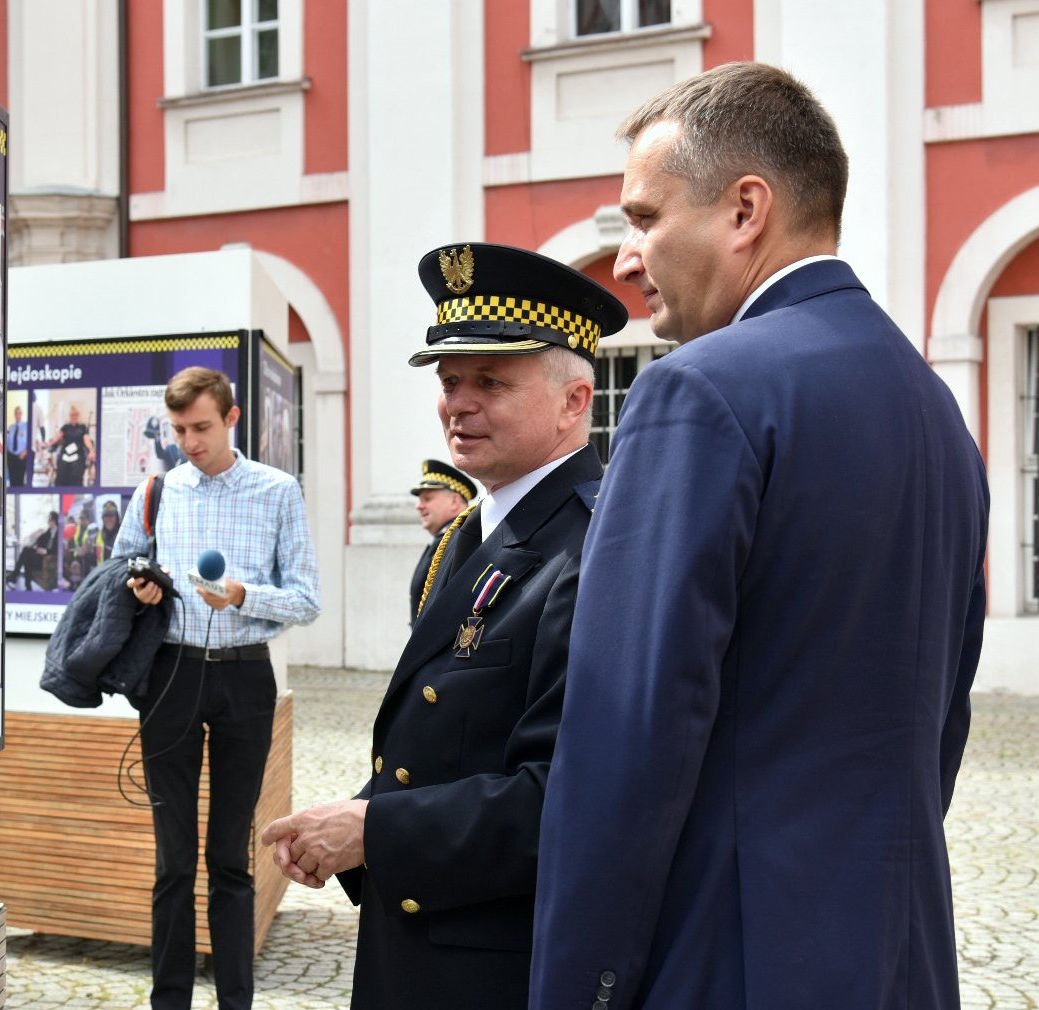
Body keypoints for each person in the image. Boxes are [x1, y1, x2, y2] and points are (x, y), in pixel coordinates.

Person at [530, 63, 990, 1010]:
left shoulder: (700, 390)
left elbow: (628, 740)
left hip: (730, 958)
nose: (624, 259)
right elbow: (940, 718)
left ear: (746, 210)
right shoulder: (936, 407)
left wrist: (582, 985)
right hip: (895, 955)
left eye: (645, 218)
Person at [258, 243, 625, 1009]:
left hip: (499, 965)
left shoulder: (598, 549)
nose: (458, 402)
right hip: (424, 942)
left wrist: (375, 832)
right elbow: (443, 742)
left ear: (574, 401)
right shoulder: (468, 534)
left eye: (491, 381)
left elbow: (573, 798)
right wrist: (348, 829)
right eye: (450, 380)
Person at [112, 366, 321, 1010]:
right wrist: (137, 585)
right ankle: (168, 1001)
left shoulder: (277, 491)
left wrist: (242, 595)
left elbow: (308, 600)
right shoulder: (158, 490)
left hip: (244, 678)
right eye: (178, 430)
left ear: (231, 419)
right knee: (172, 860)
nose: (189, 441)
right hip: (171, 678)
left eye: (200, 427)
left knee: (230, 854)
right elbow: (121, 568)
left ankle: (236, 1001)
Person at [405, 458, 476, 624]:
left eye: (428, 499)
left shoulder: (459, 540)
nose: (419, 506)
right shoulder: (446, 540)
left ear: (454, 501)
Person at [43, 403, 94, 487]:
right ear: (69, 416)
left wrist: (91, 450)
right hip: (65, 455)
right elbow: (57, 437)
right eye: (72, 415)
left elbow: (86, 439)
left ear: (78, 416)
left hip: (77, 455)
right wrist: (48, 444)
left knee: (75, 472)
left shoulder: (83, 427)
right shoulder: (65, 427)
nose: (74, 417)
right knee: (61, 472)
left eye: (75, 415)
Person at [5, 405, 32, 487]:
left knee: (20, 481)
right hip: (11, 457)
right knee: (12, 480)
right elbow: (8, 441)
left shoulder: (26, 426)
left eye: (20, 413)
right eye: (17, 413)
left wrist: (25, 452)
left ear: (22, 414)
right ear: (15, 415)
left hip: (21, 456)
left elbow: (30, 442)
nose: (18, 415)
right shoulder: (11, 427)